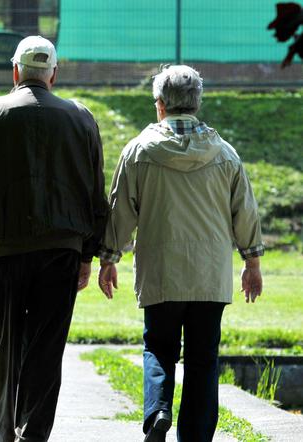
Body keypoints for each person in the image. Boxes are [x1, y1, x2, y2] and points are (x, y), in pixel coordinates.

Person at [0, 36, 108, 442]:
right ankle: (34, 433)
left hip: (1, 251)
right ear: (53, 73)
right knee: (47, 348)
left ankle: (4, 431)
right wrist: (89, 253)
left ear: (14, 71)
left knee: (6, 342)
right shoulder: (81, 118)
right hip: (61, 251)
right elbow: (94, 192)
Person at [97, 65, 265, 442]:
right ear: (197, 103)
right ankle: (196, 436)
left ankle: (157, 411)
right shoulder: (224, 154)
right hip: (210, 274)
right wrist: (251, 263)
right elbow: (245, 212)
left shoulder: (139, 151)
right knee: (204, 359)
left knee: (158, 346)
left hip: (161, 271)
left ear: (160, 105)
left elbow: (120, 209)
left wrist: (108, 257)